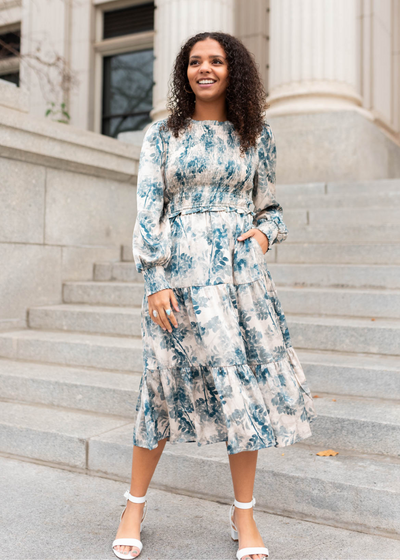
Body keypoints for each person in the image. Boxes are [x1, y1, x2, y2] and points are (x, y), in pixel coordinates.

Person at [112, 31, 317, 560]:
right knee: (159, 385)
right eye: (195, 62)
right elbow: (147, 209)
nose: (205, 69)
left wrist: (267, 233)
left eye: (217, 61)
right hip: (178, 274)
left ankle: (244, 516)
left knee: (239, 390)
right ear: (185, 72)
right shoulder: (163, 135)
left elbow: (269, 207)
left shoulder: (255, 136)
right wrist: (154, 278)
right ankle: (133, 505)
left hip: (239, 281)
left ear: (234, 70)